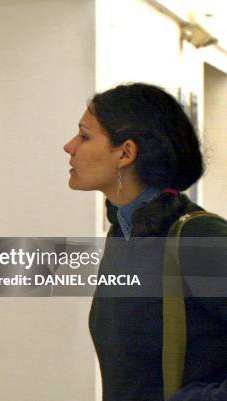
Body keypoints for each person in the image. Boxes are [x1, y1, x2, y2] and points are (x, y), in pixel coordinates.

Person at [63, 83, 227, 401]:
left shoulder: (200, 240)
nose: (69, 147)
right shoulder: (123, 235)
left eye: (84, 136)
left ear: (126, 153)